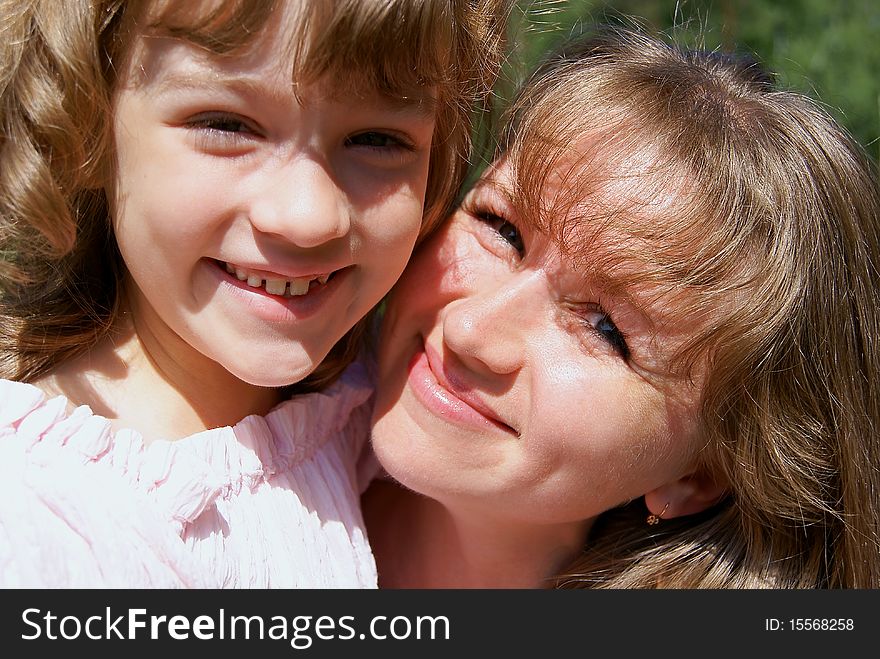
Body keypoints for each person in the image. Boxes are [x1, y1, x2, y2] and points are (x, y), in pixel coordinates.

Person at [0, 0, 507, 587]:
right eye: (226, 125)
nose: (307, 216)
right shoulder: (33, 517)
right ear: (88, 120)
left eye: (377, 138)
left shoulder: (366, 414)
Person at [361, 25, 880, 588]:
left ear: (698, 477)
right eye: (501, 228)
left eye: (607, 328)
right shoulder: (263, 444)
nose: (469, 329)